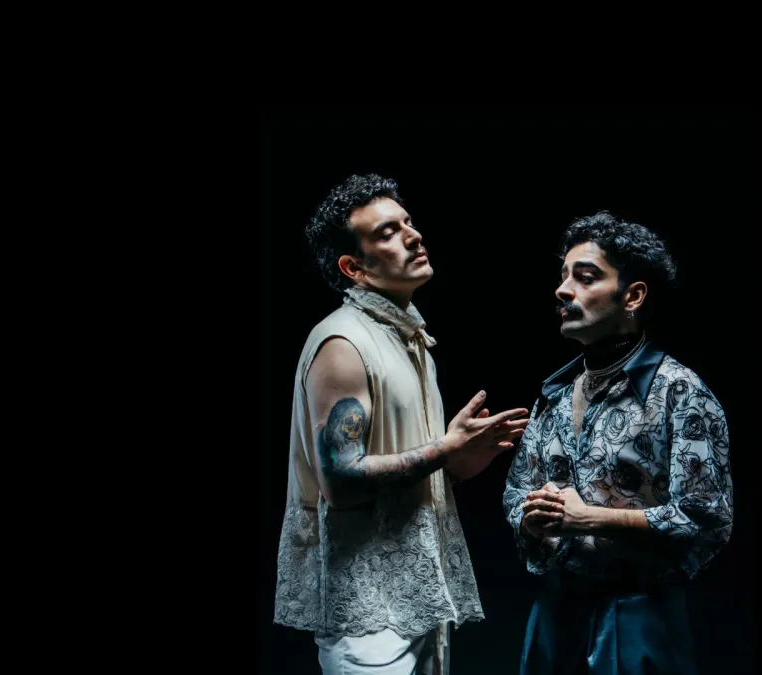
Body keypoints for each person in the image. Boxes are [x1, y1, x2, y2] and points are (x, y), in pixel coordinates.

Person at [274, 173, 529, 675]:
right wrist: (445, 449)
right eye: (387, 232)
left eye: (408, 222)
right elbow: (341, 482)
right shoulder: (343, 343)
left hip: (421, 598)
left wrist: (457, 463)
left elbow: (409, 470)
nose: (413, 235)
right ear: (354, 267)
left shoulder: (410, 341)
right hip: (366, 617)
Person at [503, 211, 734, 674]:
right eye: (563, 276)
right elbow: (515, 492)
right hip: (555, 616)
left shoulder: (679, 392)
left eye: (585, 277)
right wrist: (532, 518)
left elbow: (707, 517)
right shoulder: (553, 395)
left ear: (633, 296)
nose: (563, 290)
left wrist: (589, 518)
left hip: (639, 619)